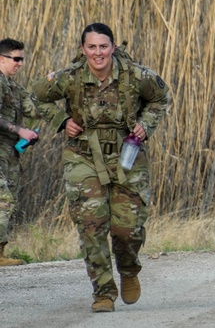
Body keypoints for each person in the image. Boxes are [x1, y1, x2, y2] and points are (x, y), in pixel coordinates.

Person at [33, 23, 172, 312]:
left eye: (103, 46)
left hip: (127, 154)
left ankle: (129, 269)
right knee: (91, 226)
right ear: (83, 49)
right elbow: (36, 96)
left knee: (127, 229)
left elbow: (161, 97)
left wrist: (144, 126)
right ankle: (103, 292)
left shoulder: (135, 75)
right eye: (92, 47)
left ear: (112, 47)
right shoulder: (69, 77)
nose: (98, 53)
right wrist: (61, 120)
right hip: (83, 156)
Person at [0, 38, 45, 266]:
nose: (20, 64)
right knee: (2, 199)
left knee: (10, 196)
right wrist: (20, 130)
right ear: (1, 58)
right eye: (16, 59)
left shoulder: (13, 86)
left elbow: (34, 108)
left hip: (9, 154)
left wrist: (54, 85)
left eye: (22, 59)